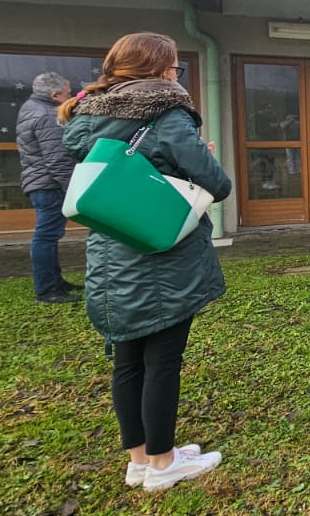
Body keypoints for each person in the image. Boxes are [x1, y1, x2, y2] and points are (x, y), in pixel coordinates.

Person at [59, 32, 231, 492]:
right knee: (163, 362)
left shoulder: (89, 113)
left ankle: (139, 458)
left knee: (128, 360)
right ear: (158, 70)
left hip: (111, 252)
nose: (177, 75)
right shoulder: (167, 112)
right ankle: (162, 464)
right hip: (162, 252)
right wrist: (197, 160)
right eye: (174, 67)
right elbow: (216, 182)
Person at [15, 71, 81, 304]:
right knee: (46, 236)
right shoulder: (46, 115)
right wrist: (74, 189)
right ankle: (47, 290)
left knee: (49, 235)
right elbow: (57, 159)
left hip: (40, 182)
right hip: (49, 184)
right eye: (68, 94)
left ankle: (55, 282)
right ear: (54, 95)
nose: (70, 97)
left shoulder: (30, 108)